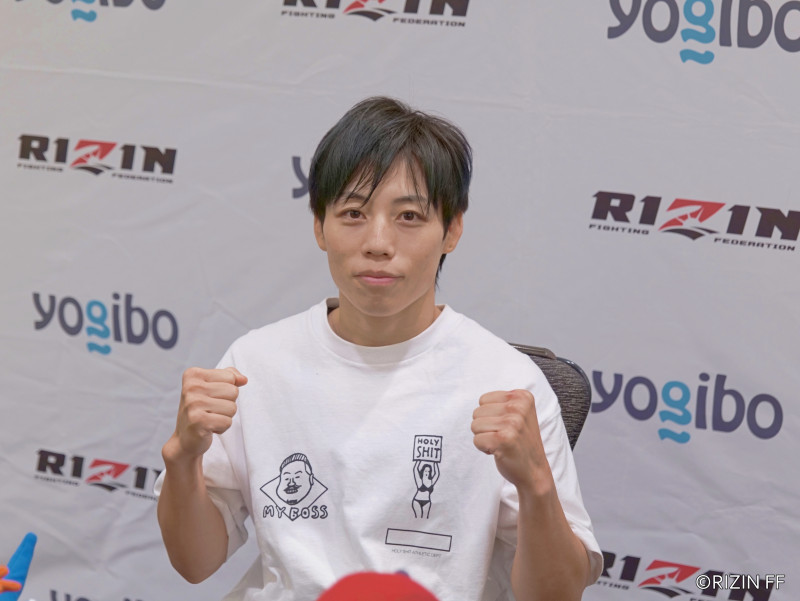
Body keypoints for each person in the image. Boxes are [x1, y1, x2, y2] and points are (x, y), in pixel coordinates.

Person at [155, 96, 602, 601]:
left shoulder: (506, 380)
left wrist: (536, 484)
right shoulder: (255, 364)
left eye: (409, 216)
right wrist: (183, 457)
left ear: (452, 229)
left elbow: (556, 596)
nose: (378, 242)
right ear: (319, 226)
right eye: (353, 213)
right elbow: (194, 563)